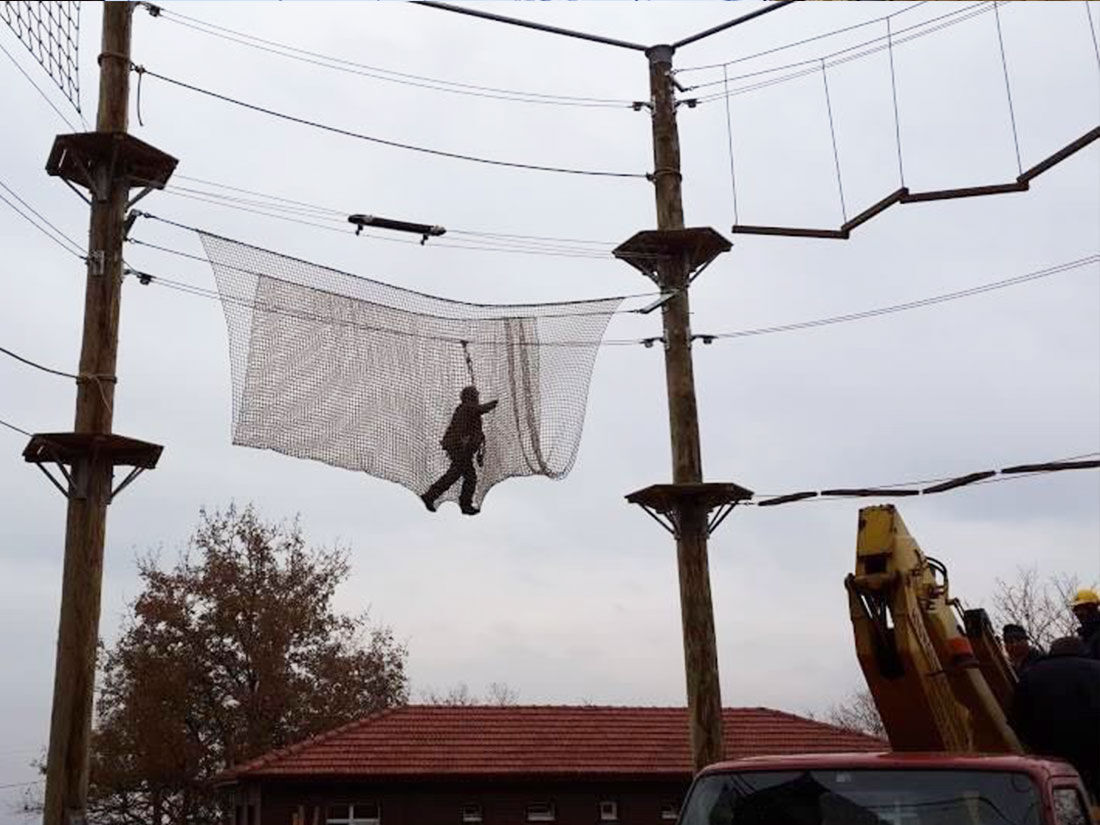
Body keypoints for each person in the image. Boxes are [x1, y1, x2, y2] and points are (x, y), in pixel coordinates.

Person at [1009, 636, 1100, 801]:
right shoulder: (1096, 669)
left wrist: (1037, 745)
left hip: (1056, 758)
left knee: (1070, 804)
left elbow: (1017, 719)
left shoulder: (1031, 675)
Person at [421, 386, 498, 516]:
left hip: (461, 449)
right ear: (470, 396)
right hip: (459, 448)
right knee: (463, 476)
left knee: (459, 475)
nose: (477, 397)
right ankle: (437, 498)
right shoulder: (467, 407)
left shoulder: (467, 409)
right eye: (475, 395)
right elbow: (481, 409)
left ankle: (433, 497)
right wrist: (495, 403)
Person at [1070, 588, 1100, 659]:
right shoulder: (1085, 637)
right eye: (1075, 610)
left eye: (1080, 609)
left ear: (1091, 608)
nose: (1078, 614)